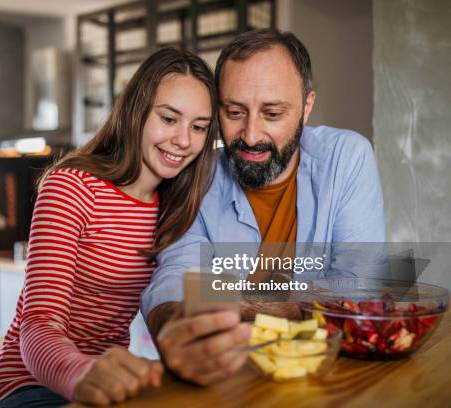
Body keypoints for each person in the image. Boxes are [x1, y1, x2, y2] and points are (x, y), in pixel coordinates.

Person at [140, 28, 386, 386]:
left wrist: (244, 306)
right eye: (235, 112)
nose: (251, 135)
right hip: (226, 377)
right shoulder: (197, 172)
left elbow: (359, 285)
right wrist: (171, 324)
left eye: (272, 113)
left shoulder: (347, 157)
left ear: (307, 106)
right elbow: (180, 273)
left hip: (329, 374)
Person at [0, 47, 220, 407]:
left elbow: (216, 281)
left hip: (109, 389)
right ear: (136, 111)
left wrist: (307, 290)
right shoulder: (71, 187)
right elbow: (39, 323)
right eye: (169, 119)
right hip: (30, 385)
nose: (184, 140)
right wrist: (82, 373)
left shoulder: (177, 209)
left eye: (198, 127)